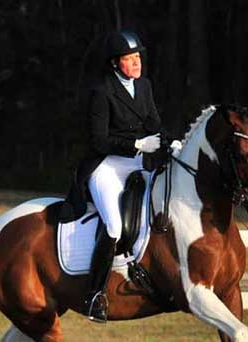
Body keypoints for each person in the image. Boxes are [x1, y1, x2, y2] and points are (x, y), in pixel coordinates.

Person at [59, 29, 180, 323]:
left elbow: (153, 123)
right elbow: (98, 141)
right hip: (106, 166)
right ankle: (94, 295)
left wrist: (172, 141)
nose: (137, 62)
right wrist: (137, 144)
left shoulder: (144, 86)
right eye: (130, 58)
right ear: (116, 64)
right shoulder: (101, 92)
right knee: (114, 225)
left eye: (138, 56)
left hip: (135, 165)